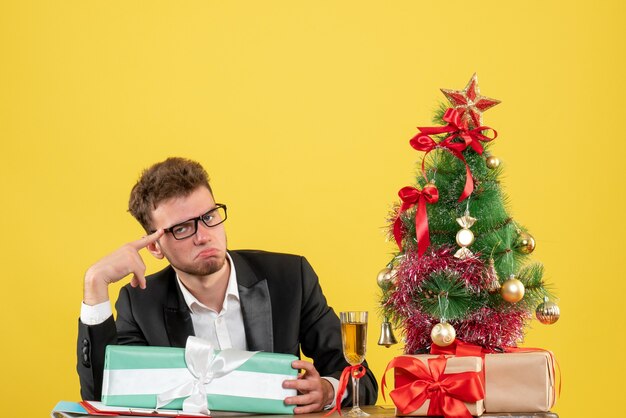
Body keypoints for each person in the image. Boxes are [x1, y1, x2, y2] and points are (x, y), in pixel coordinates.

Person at [77, 157, 378, 413]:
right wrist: (94, 285)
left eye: (209, 216)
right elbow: (102, 396)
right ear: (155, 247)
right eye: (182, 228)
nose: (203, 235)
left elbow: (361, 378)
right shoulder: (140, 302)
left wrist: (328, 390)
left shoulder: (290, 277)